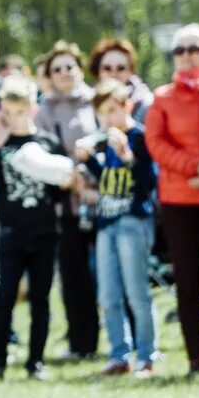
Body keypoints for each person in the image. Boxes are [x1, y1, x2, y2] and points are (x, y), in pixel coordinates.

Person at [145, 24, 199, 378]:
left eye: (195, 48)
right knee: (188, 282)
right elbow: (156, 143)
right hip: (179, 199)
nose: (188, 55)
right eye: (180, 50)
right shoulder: (162, 97)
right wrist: (194, 167)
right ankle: (194, 357)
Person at [0, 76, 75, 380]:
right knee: (6, 295)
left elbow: (59, 192)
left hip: (45, 231)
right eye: (8, 112)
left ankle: (35, 361)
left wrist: (66, 184)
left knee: (41, 298)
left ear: (33, 109)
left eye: (20, 112)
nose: (14, 118)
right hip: (11, 232)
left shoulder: (47, 143)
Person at [77, 80, 157, 377]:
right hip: (106, 222)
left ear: (127, 106)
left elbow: (149, 182)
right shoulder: (106, 141)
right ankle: (119, 355)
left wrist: (128, 157)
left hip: (133, 222)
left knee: (137, 292)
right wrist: (89, 162)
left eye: (112, 110)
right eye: (102, 113)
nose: (108, 118)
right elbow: (109, 181)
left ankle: (146, 356)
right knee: (108, 294)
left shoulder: (139, 137)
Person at [35, 42, 100, 361]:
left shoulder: (95, 101)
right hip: (64, 205)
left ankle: (124, 342)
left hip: (101, 201)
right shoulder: (44, 110)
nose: (64, 73)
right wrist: (71, 179)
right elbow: (41, 152)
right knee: (74, 277)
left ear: (80, 69)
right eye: (57, 69)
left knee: (110, 275)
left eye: (69, 67)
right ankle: (80, 342)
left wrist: (91, 182)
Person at [88, 38, 153, 125]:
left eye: (121, 68)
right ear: (98, 71)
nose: (114, 74)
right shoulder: (87, 103)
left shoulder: (147, 103)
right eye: (107, 68)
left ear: (131, 71)